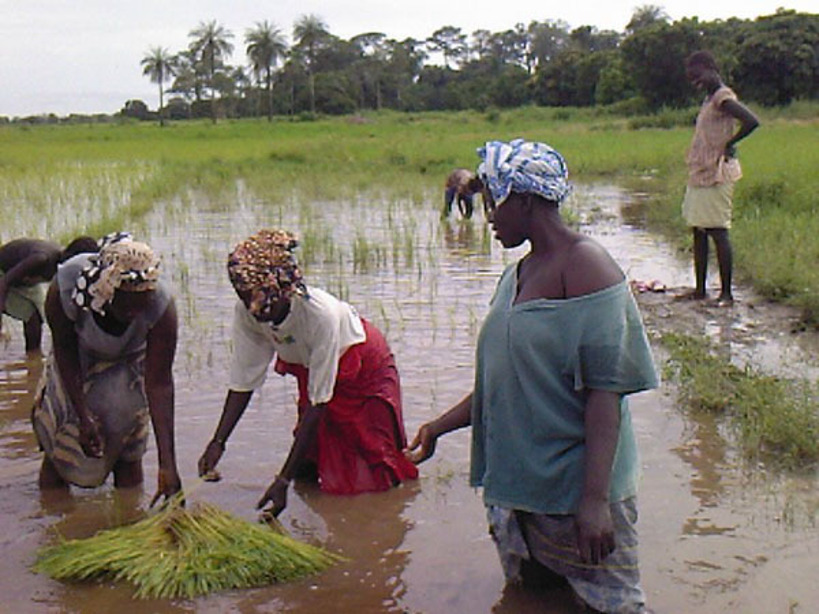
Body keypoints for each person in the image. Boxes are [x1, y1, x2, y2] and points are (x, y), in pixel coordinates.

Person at [406, 139, 658, 614]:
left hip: (574, 493)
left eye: (494, 203)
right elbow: (507, 384)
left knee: (613, 606)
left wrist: (594, 501)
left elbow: (606, 393)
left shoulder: (586, 266)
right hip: (520, 491)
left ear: (524, 200)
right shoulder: (517, 274)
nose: (489, 217)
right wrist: (438, 427)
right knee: (532, 600)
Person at [197, 229, 418, 517]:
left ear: (282, 288)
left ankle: (383, 519)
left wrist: (282, 479)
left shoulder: (318, 315)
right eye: (243, 296)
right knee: (309, 466)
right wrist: (218, 442)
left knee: (373, 465)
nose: (253, 308)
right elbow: (243, 380)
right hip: (313, 369)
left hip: (361, 368)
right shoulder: (248, 313)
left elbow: (318, 403)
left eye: (261, 297)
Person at [31, 232, 182, 505]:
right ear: (108, 292)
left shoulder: (161, 306)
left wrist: (167, 465)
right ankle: (53, 514)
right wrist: (83, 415)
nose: (136, 314)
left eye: (142, 306)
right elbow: (64, 351)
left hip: (129, 362)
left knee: (128, 442)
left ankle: (127, 514)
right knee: (64, 442)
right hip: (78, 358)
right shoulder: (66, 285)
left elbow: (159, 383)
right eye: (128, 308)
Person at [681, 50, 759, 306]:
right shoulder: (709, 98)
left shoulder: (723, 97)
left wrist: (730, 143)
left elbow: (751, 121)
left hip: (717, 172)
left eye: (698, 76)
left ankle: (726, 294)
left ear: (710, 68)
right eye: (692, 79)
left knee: (717, 230)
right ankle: (700, 290)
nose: (695, 82)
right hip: (702, 172)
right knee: (699, 229)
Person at [0, 236, 98, 352]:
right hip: (4, 275)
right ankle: (32, 355)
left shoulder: (63, 266)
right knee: (32, 318)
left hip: (24, 280)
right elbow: (5, 282)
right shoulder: (41, 259)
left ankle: (33, 359)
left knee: (38, 318)